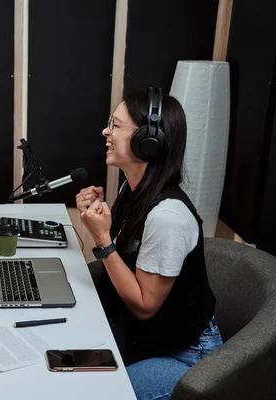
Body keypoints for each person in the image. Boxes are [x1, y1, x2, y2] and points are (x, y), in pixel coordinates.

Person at [76, 88, 223, 400]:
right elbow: (126, 261)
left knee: (94, 392)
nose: (106, 131)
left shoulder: (167, 216)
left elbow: (144, 305)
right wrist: (101, 221)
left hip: (184, 357)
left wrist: (102, 238)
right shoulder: (136, 191)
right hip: (143, 336)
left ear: (149, 140)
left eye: (115, 125)